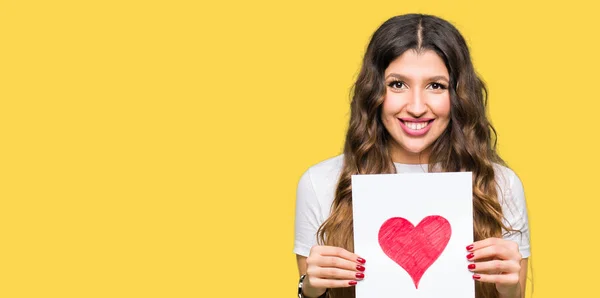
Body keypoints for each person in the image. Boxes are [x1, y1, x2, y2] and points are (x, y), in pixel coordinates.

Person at [293, 14, 530, 298]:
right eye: (397, 84)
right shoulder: (321, 183)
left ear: (458, 95)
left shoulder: (500, 185)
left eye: (436, 86)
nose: (417, 107)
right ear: (374, 92)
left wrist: (510, 289)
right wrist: (309, 290)